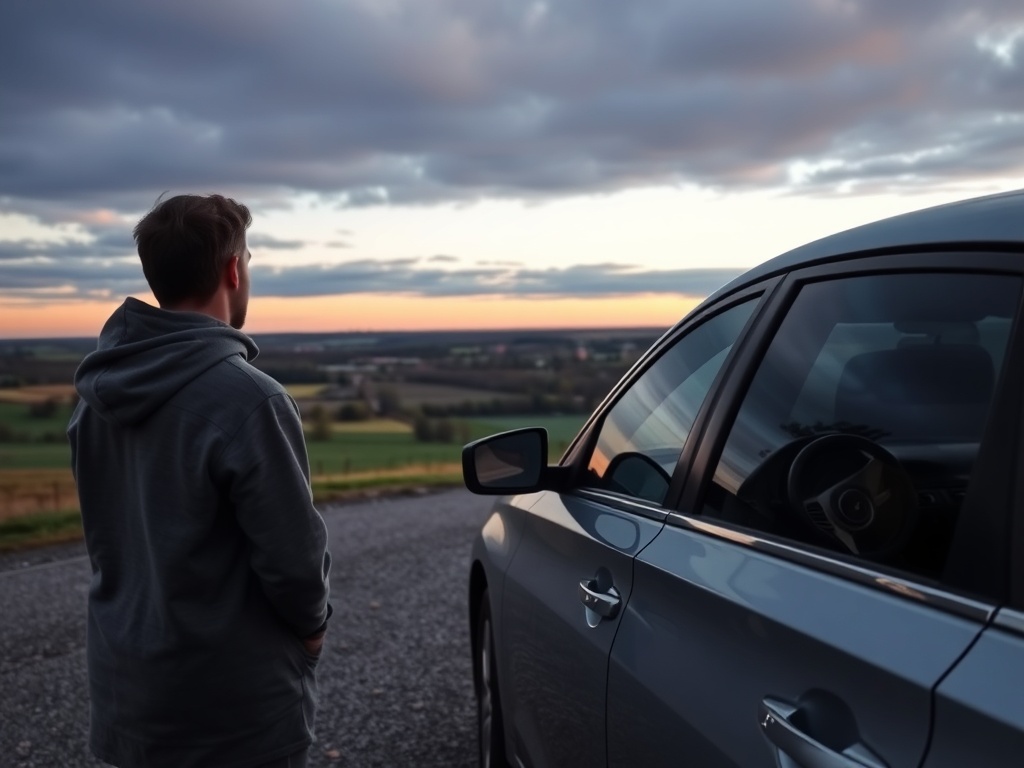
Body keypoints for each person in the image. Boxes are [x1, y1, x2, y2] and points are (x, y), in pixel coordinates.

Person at [67, 194, 332, 768]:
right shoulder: (249, 398)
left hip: (129, 695)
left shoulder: (94, 400)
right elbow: (294, 558)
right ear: (233, 270)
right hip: (232, 713)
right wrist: (311, 635)